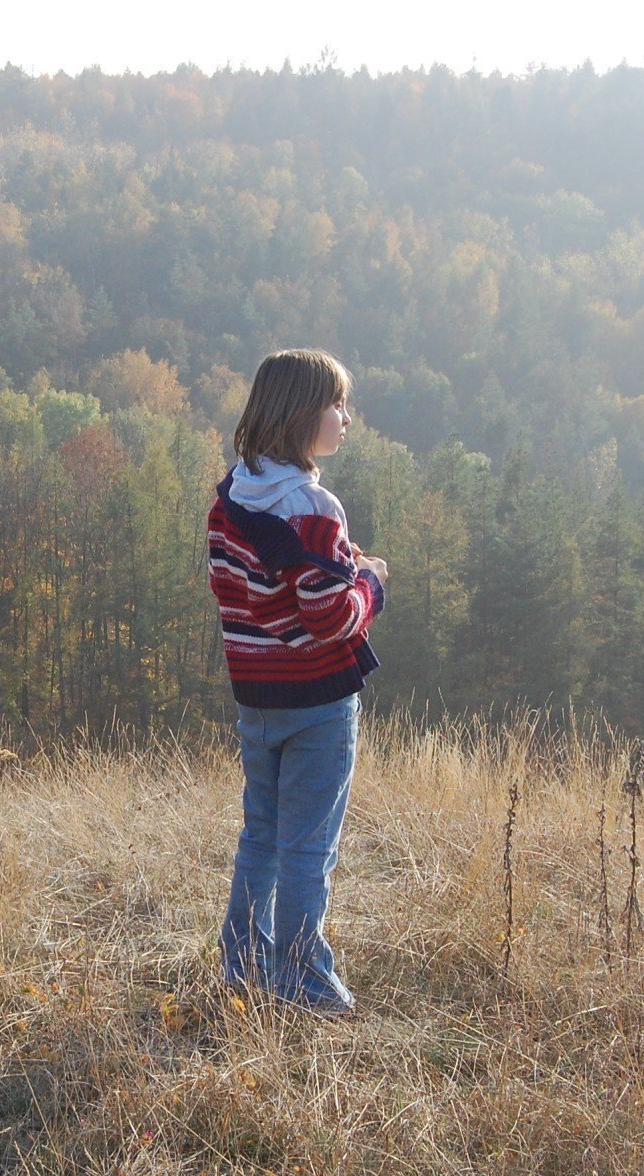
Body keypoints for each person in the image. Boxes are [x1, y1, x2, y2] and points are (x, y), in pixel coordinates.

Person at [205, 348, 387, 1014]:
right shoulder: (313, 505)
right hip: (316, 701)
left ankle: (242, 961)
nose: (347, 417)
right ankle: (303, 978)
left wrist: (338, 567)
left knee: (261, 835)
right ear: (302, 414)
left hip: (257, 696)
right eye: (338, 404)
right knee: (309, 845)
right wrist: (369, 582)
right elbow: (331, 613)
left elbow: (245, 584)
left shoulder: (234, 492)